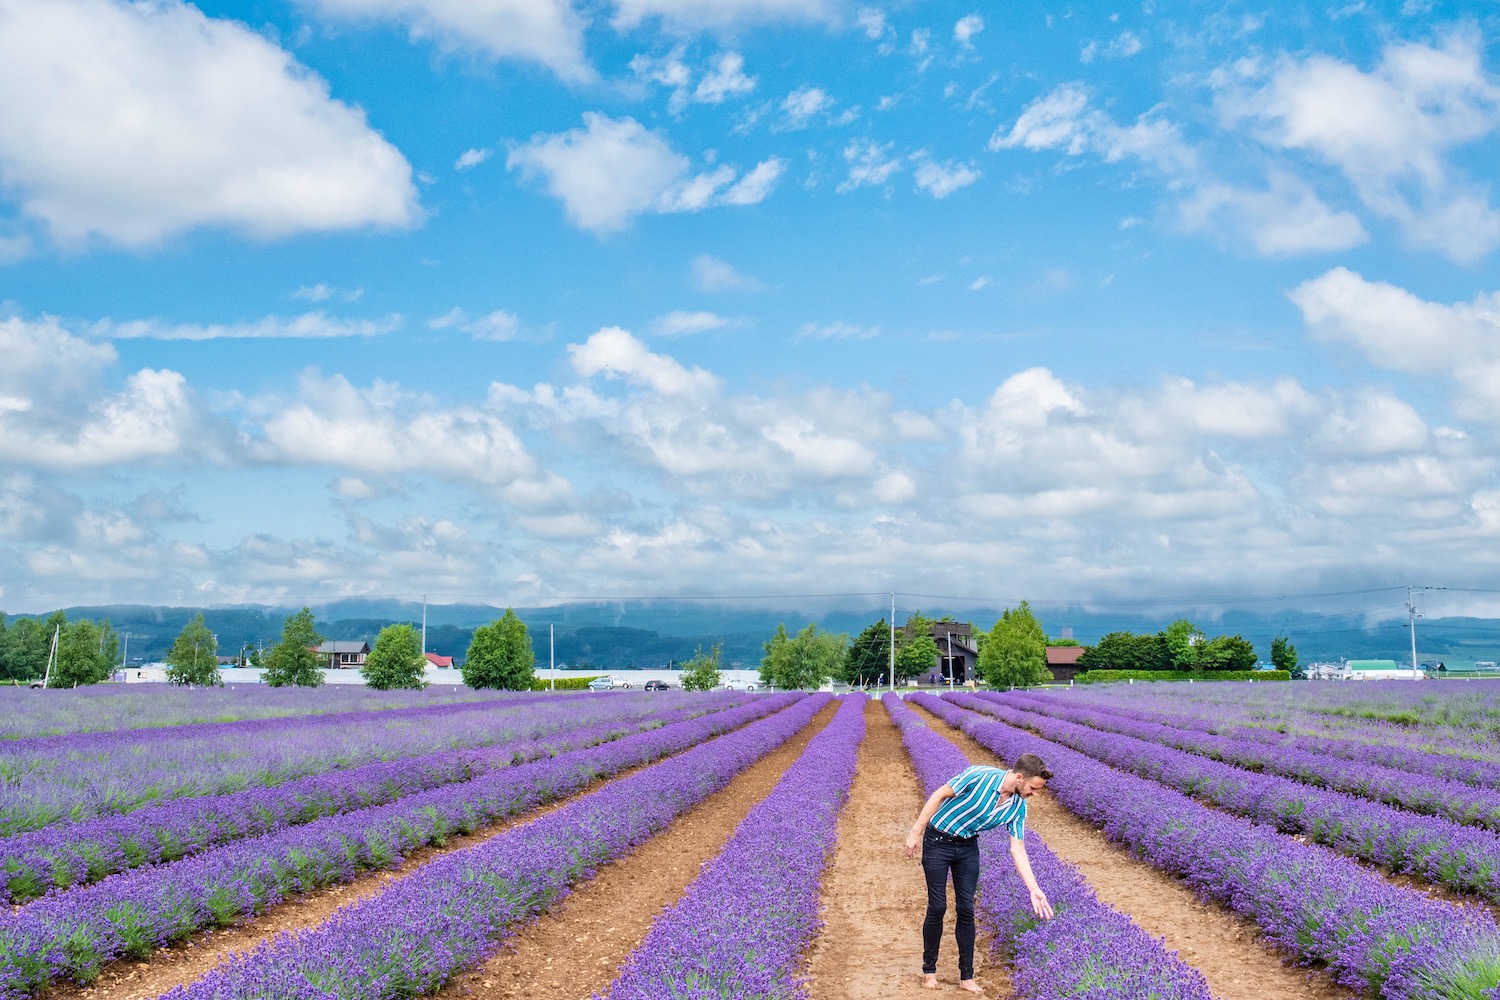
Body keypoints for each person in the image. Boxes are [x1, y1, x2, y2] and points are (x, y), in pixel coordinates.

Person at [904, 753, 1054, 993]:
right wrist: (916, 831)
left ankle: (966, 976)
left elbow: (1018, 848)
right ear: (1019, 777)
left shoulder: (1018, 807)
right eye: (1034, 788)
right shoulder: (979, 775)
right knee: (938, 906)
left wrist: (1034, 889)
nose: (1035, 793)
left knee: (966, 908)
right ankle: (929, 971)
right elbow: (940, 794)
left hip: (967, 847)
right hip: (938, 840)